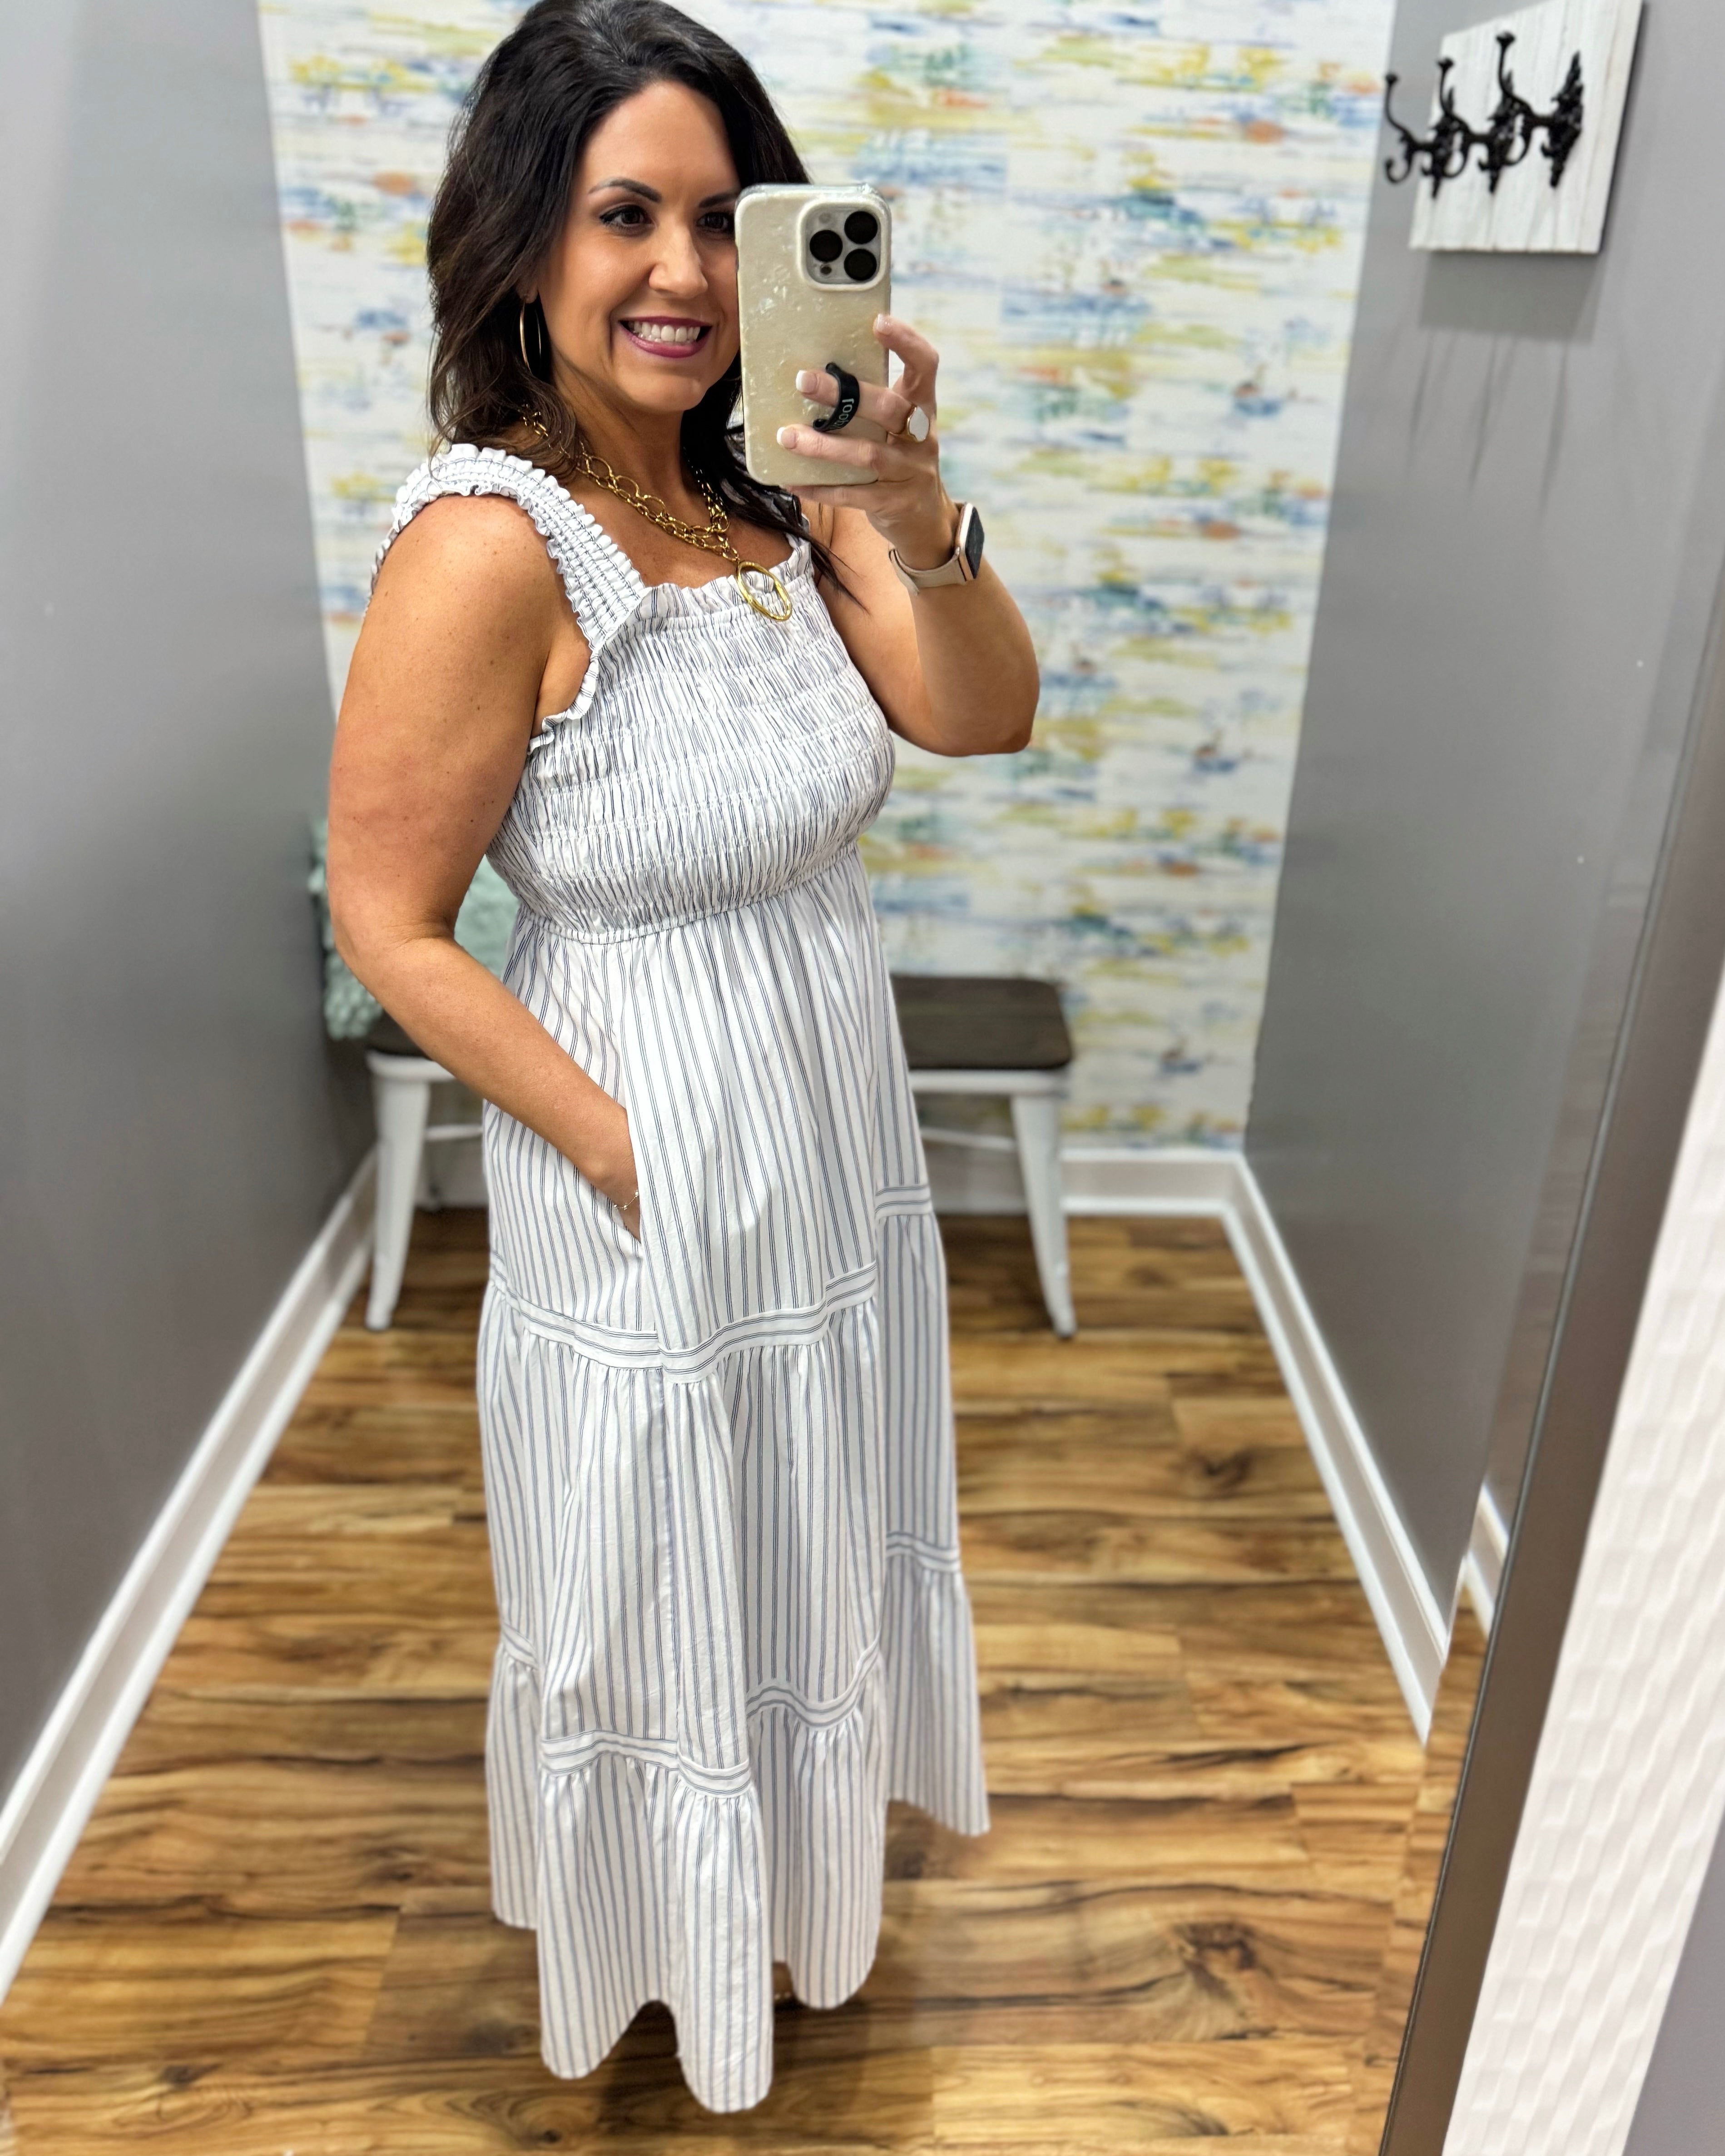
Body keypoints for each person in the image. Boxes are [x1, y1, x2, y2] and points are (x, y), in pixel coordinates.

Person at [325, 0, 1039, 2113]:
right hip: (641, 1136)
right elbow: (386, 925)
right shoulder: (487, 543)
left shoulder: (775, 493)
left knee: (807, 1515)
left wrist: (912, 498)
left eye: (725, 219)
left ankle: (795, 1912)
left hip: (830, 1116)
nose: (682, 273)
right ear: (523, 241)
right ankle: (659, 1950)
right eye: (621, 213)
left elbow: (980, 710)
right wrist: (625, 1141)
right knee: (652, 1559)